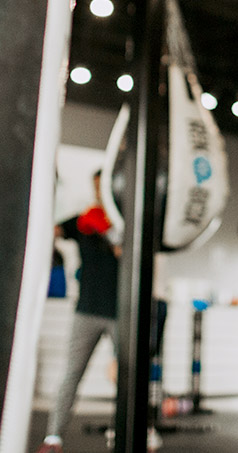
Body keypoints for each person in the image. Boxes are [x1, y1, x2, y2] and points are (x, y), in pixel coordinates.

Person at [36, 170, 121, 453]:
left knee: (127, 376)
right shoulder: (83, 219)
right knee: (71, 374)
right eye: (96, 187)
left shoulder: (124, 220)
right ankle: (53, 438)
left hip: (121, 313)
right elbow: (52, 231)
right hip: (85, 310)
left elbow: (127, 252)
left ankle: (141, 433)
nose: (100, 192)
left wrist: (108, 231)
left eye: (103, 187)